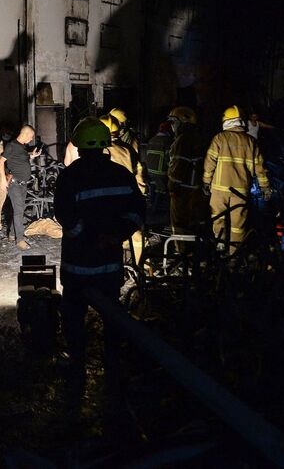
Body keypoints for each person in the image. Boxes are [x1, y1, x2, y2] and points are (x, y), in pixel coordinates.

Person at [55, 116, 145, 389]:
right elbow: (137, 212)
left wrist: (87, 235)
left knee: (73, 315)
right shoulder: (121, 174)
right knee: (112, 315)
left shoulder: (70, 176)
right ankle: (113, 365)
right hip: (109, 265)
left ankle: (77, 362)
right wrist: (116, 235)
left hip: (77, 266)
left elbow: (65, 216)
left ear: (79, 146)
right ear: (105, 144)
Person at [203, 105, 271, 254]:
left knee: (218, 216)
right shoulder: (251, 142)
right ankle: (234, 254)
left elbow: (210, 162)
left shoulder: (220, 138)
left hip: (220, 189)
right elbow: (260, 168)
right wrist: (265, 187)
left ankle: (220, 246)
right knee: (238, 224)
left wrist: (206, 182)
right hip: (241, 191)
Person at [101, 114, 147, 266]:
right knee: (136, 234)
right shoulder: (127, 149)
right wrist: (140, 193)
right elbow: (139, 174)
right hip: (128, 200)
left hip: (108, 203)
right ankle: (139, 266)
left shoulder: (100, 151)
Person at [166, 106, 205, 253]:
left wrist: (172, 187)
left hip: (182, 191)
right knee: (193, 222)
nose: (171, 125)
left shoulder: (182, 140)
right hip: (195, 188)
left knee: (179, 222)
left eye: (173, 122)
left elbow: (178, 166)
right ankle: (194, 254)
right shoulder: (197, 137)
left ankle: (182, 253)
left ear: (182, 122)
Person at [0, 124, 40, 251]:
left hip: (22, 184)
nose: (31, 139)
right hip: (15, 184)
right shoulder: (11, 145)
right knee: (18, 211)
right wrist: (2, 180)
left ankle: (12, 234)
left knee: (19, 210)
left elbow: (21, 159)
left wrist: (31, 156)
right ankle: (20, 241)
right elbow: (1, 161)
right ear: (26, 134)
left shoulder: (22, 147)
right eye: (31, 136)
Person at [142, 121, 173, 211]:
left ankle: (152, 207)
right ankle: (157, 211)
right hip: (161, 172)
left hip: (150, 171)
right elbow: (169, 159)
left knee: (153, 190)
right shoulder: (168, 141)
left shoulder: (152, 140)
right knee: (161, 192)